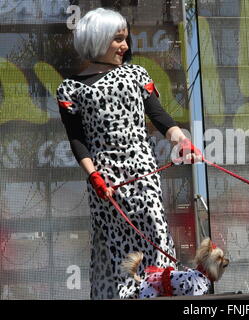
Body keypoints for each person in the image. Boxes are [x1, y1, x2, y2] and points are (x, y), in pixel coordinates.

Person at [56, 8, 202, 299]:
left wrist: (181, 140)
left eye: (125, 39)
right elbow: (77, 139)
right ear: (97, 40)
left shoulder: (136, 74)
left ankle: (160, 290)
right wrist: (94, 176)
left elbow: (159, 116)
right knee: (119, 246)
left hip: (142, 171)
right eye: (117, 39)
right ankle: (127, 295)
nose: (125, 46)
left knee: (155, 231)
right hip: (107, 181)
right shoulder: (70, 89)